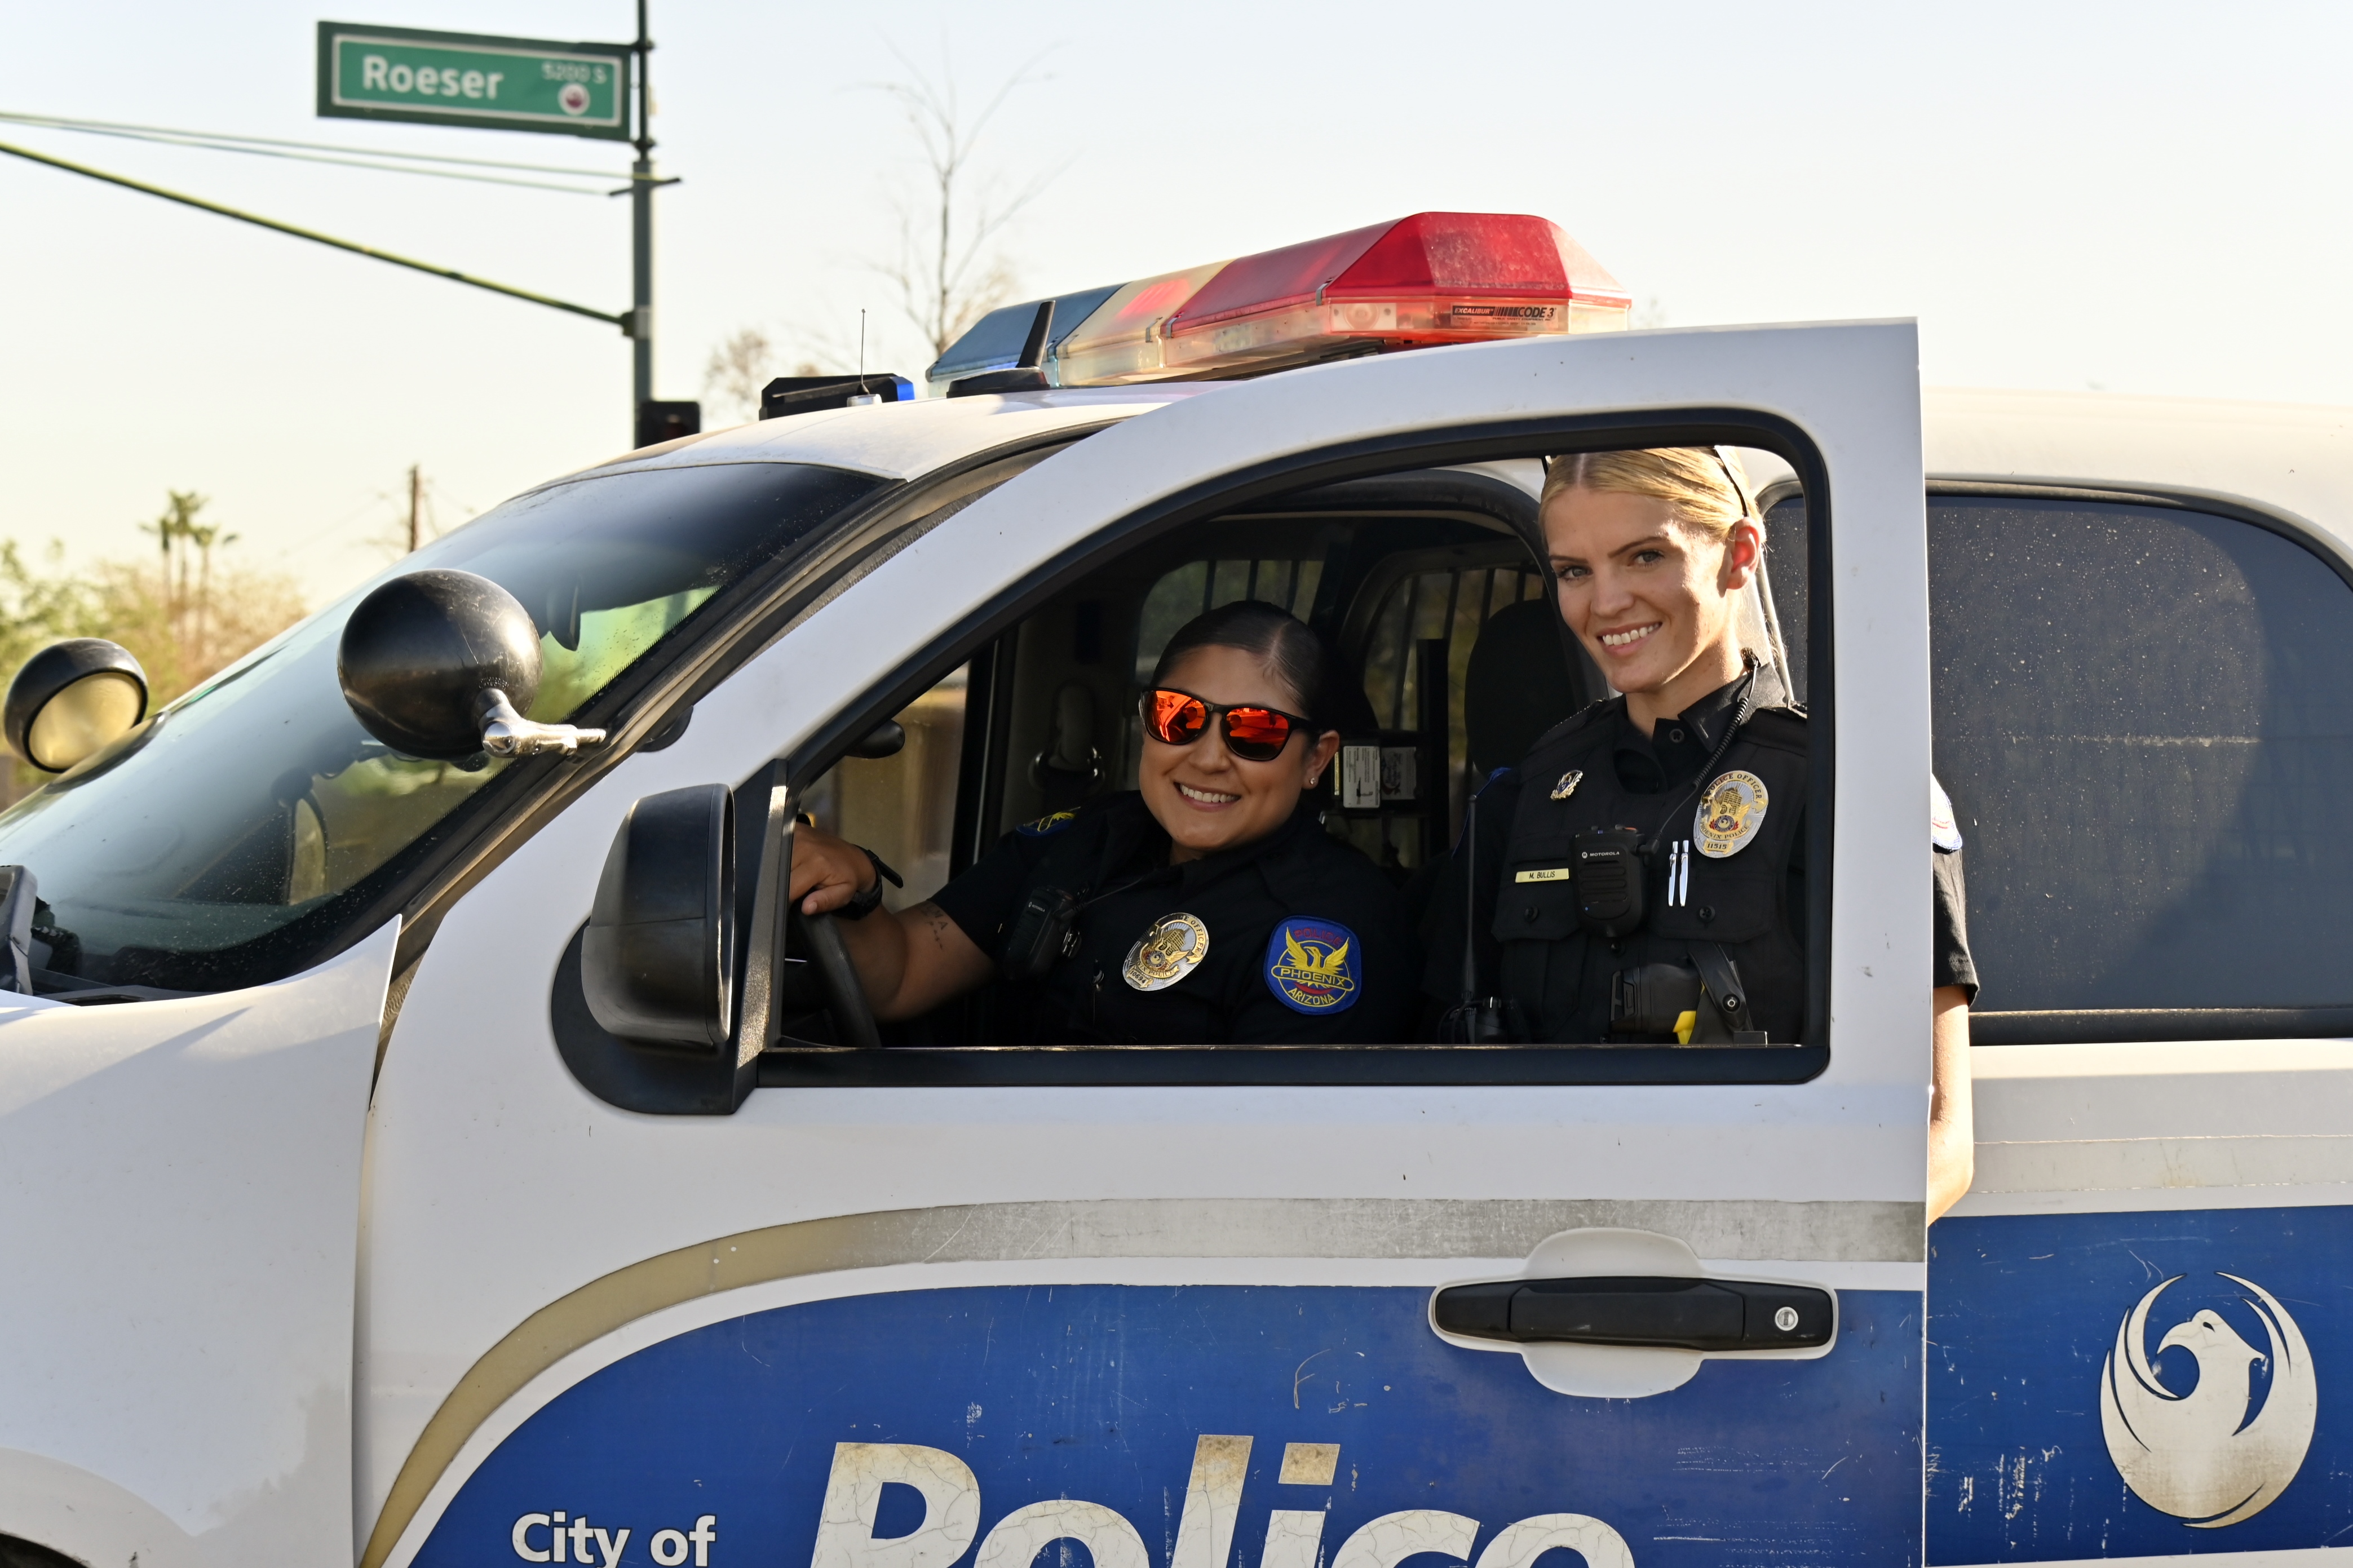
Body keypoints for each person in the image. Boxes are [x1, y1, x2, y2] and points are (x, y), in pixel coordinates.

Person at [1425, 446, 1979, 1219]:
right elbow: (1426, 1087)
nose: (1605, 601)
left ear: (1739, 554)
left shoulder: (1847, 789)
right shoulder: (1525, 795)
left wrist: (1749, 1255)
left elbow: (1939, 1142)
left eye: (1644, 556)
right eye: (1575, 571)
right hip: (1539, 1254)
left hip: (1748, 1272)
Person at [789, 601, 1419, 1043]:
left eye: (1255, 732)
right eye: (1179, 717)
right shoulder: (1084, 838)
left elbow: (1263, 1149)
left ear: (1316, 759)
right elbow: (901, 976)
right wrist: (856, 888)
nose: (1207, 757)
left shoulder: (1332, 929)